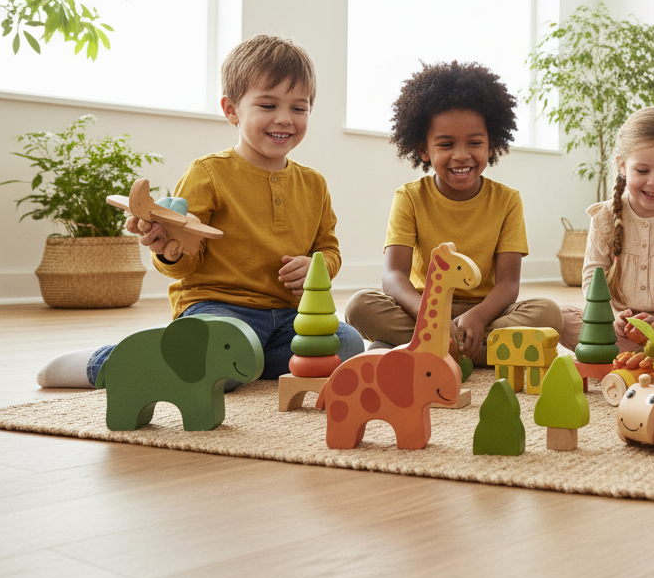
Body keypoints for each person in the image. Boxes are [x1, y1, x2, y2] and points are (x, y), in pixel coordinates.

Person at [37, 35, 366, 388]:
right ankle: (103, 363)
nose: (285, 119)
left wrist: (316, 267)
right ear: (231, 110)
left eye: (298, 109)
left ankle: (237, 365)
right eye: (268, 106)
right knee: (217, 355)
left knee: (348, 343)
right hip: (217, 310)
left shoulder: (314, 184)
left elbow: (328, 250)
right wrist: (168, 247)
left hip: (288, 316)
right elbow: (180, 265)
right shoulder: (208, 174)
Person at [344, 61, 562, 366]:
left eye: (474, 143)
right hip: (421, 310)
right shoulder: (409, 197)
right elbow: (393, 275)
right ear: (423, 149)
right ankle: (481, 352)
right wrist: (432, 318)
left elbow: (508, 284)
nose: (461, 155)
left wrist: (479, 316)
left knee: (549, 313)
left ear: (491, 145)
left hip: (485, 314)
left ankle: (421, 349)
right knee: (358, 306)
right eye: (446, 144)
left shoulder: (508, 200)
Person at [559, 107, 654, 352]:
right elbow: (592, 279)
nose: (653, 181)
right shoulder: (604, 218)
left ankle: (650, 348)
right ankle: (645, 352)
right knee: (561, 316)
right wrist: (611, 317)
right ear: (622, 165)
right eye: (642, 171)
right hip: (617, 327)